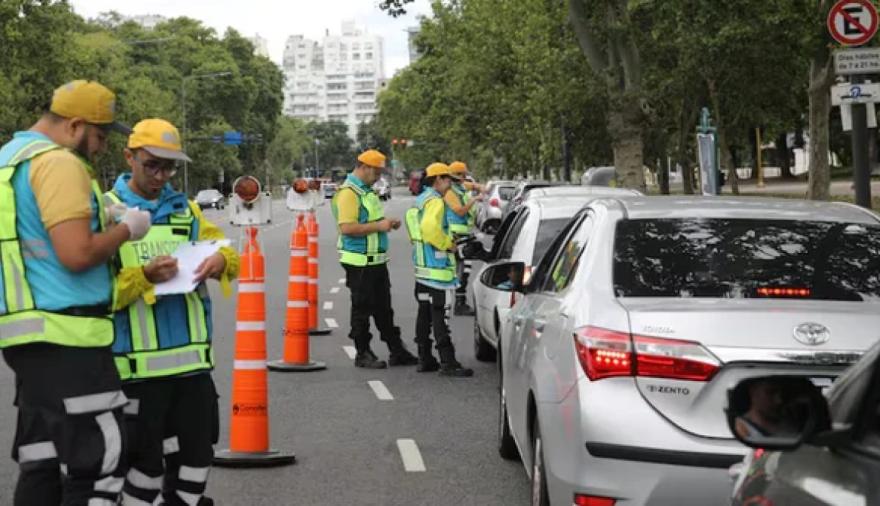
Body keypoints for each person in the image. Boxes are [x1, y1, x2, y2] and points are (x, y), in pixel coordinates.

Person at [0, 80, 152, 505]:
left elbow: (33, 240)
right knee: (99, 463)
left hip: (26, 336)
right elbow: (76, 254)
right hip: (71, 338)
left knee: (42, 460)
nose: (100, 147)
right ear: (75, 126)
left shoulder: (8, 161)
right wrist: (125, 229)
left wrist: (99, 214)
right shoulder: (59, 163)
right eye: (100, 137)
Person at [105, 119, 239, 506]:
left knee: (197, 462)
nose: (161, 176)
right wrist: (144, 277)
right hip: (138, 375)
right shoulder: (108, 214)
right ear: (128, 157)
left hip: (193, 370)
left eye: (169, 168)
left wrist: (219, 260)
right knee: (144, 472)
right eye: (152, 165)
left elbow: (229, 254)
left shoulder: (187, 213)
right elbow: (96, 293)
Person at [331, 150, 418, 369]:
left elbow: (371, 221)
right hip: (360, 262)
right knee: (362, 309)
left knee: (384, 309)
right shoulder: (349, 193)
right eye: (376, 172)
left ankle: (396, 350)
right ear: (364, 167)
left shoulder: (367, 192)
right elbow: (347, 227)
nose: (378, 176)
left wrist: (386, 223)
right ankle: (363, 353)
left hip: (376, 261)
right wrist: (379, 226)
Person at [405, 163, 474, 377]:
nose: (450, 185)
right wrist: (447, 243)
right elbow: (429, 229)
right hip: (437, 270)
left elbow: (415, 229)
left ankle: (425, 358)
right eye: (448, 180)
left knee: (424, 313)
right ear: (438, 180)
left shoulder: (421, 200)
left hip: (422, 267)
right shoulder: (436, 201)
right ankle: (448, 361)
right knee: (440, 314)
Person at [444, 161, 483, 315]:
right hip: (456, 236)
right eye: (462, 174)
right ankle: (458, 304)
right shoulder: (449, 192)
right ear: (455, 175)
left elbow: (469, 186)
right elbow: (459, 211)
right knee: (462, 269)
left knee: (464, 269)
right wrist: (474, 199)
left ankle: (459, 302)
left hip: (464, 234)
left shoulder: (458, 188)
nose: (465, 177)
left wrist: (479, 187)